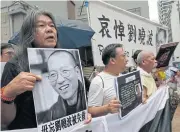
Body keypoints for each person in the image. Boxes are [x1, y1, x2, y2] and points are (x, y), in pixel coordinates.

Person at [1, 10, 91, 130]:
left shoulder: (67, 59)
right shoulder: (14, 66)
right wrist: (8, 93)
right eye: (41, 25)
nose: (49, 29)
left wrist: (83, 113)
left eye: (52, 26)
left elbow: (86, 94)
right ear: (30, 33)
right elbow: (4, 121)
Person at [37, 50, 87, 124]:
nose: (60, 80)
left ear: (77, 71)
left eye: (65, 71)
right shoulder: (51, 115)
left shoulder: (92, 97)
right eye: (53, 74)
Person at [88, 44, 127, 117]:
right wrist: (107, 108)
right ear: (112, 60)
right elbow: (90, 110)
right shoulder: (98, 81)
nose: (127, 59)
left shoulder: (123, 77)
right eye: (123, 56)